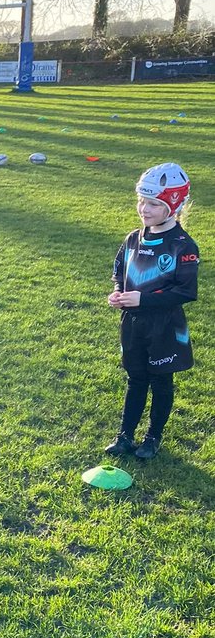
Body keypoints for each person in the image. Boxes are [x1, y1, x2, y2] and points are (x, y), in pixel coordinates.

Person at [106, 162, 200, 461]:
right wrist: (119, 293)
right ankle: (124, 436)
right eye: (142, 201)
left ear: (173, 206)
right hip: (133, 324)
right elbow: (121, 272)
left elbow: (185, 291)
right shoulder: (134, 238)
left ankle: (152, 437)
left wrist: (143, 300)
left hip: (165, 327)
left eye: (153, 204)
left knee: (161, 381)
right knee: (136, 379)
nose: (144, 209)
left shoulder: (183, 245)